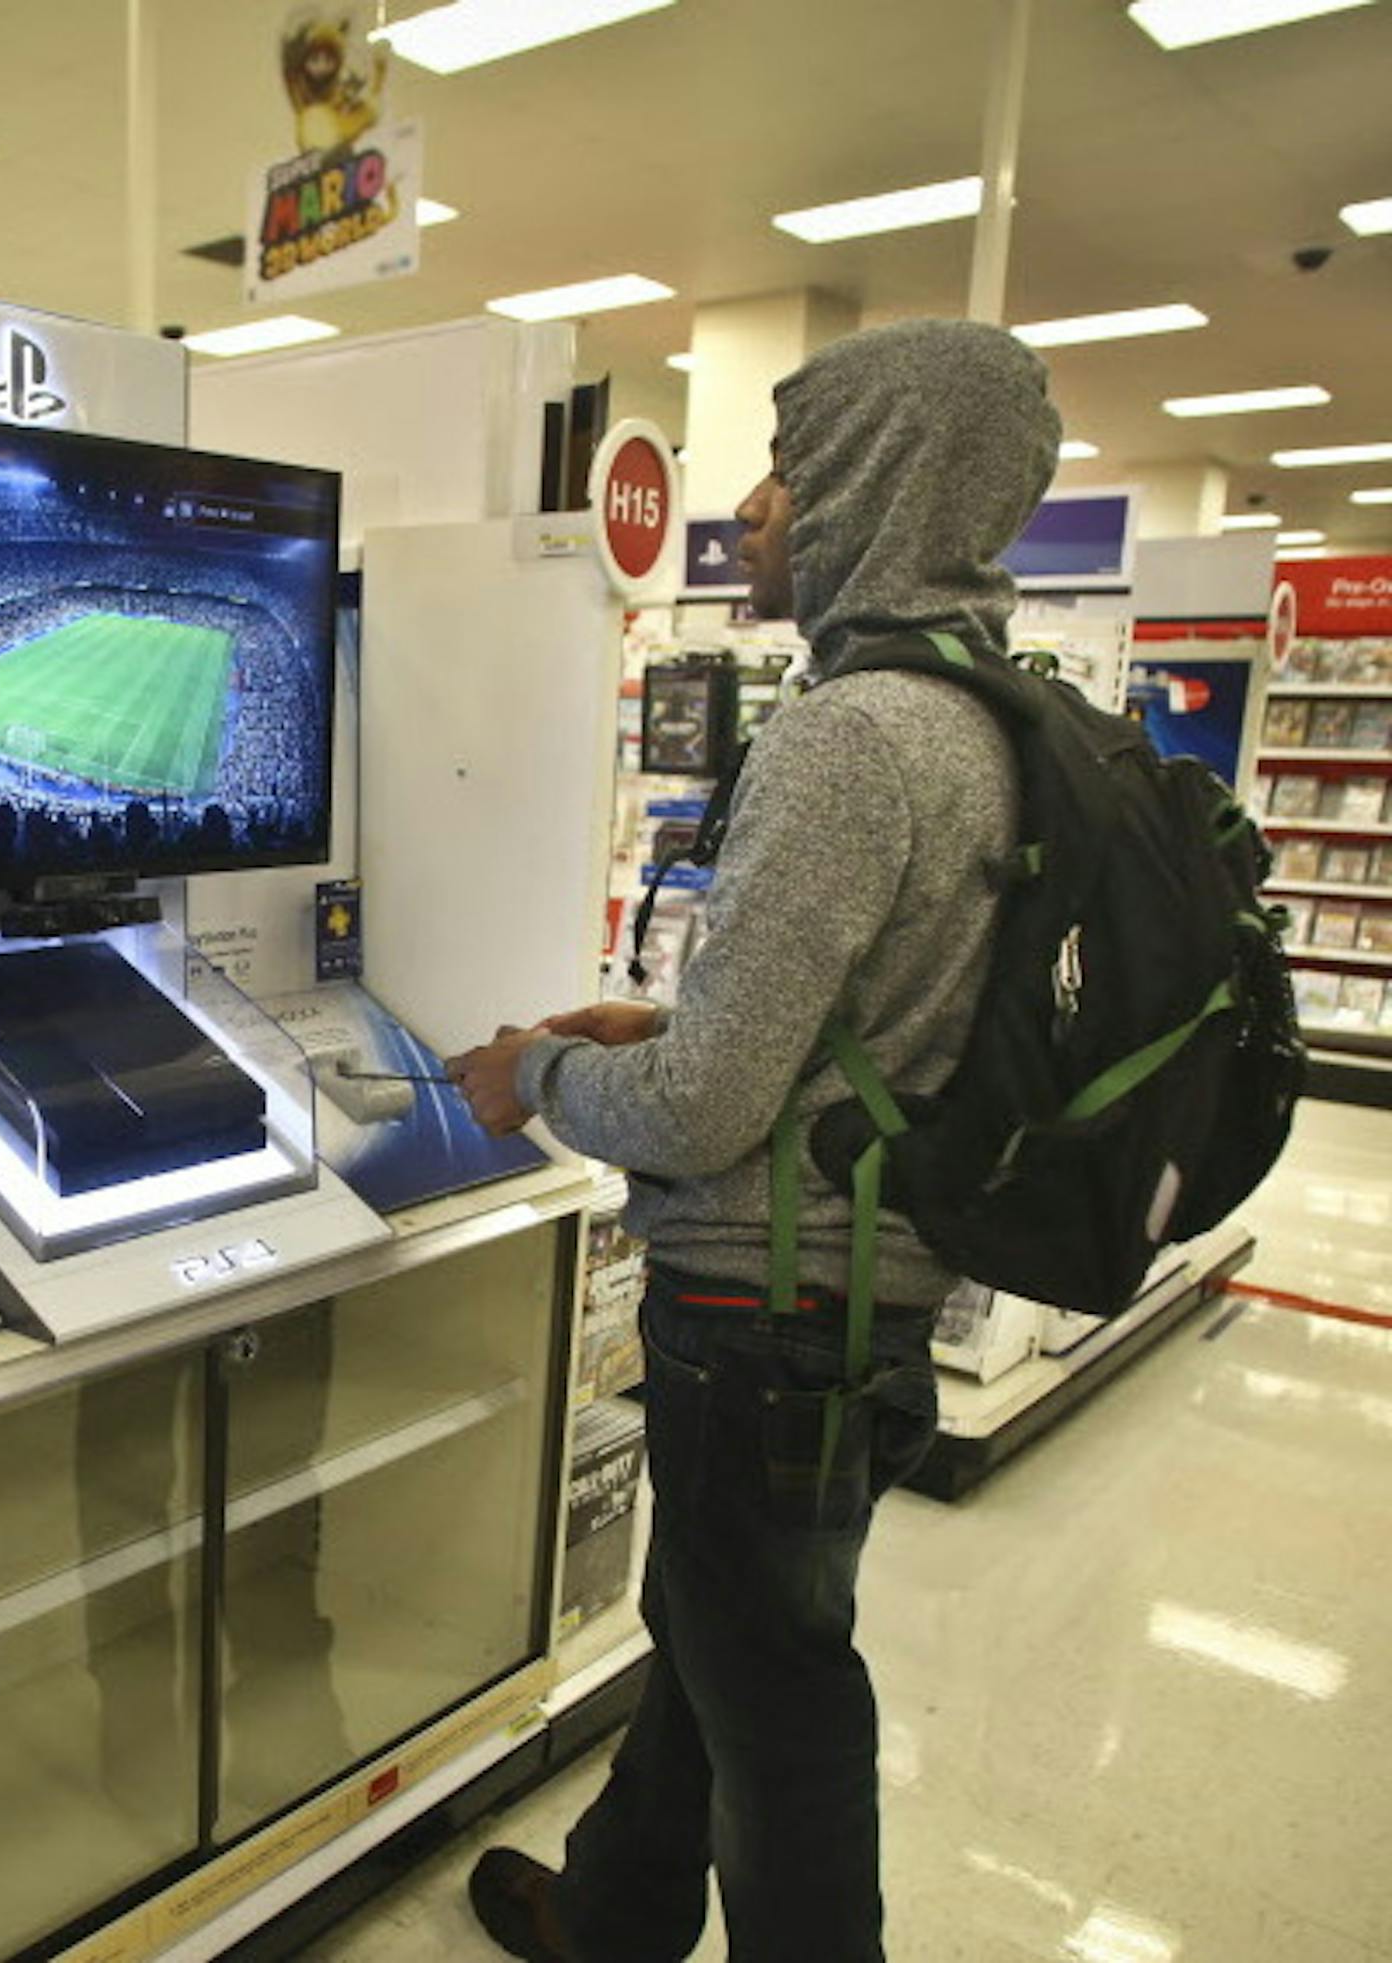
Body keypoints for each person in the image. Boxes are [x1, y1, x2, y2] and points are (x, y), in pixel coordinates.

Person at [449, 318, 1060, 1962]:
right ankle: (619, 1914)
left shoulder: (855, 736)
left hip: (764, 1313)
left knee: (781, 1711)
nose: (757, 502)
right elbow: (877, 1030)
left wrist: (534, 1079)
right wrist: (685, 1028)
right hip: (867, 1293)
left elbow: (708, 1115)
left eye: (795, 463)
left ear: (877, 480)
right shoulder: (989, 713)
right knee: (726, 1631)